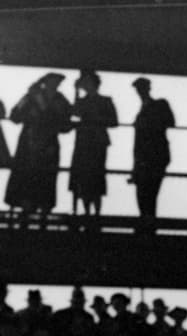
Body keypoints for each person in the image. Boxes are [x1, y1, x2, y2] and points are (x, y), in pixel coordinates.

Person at [5, 73, 70, 223]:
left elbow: (65, 124)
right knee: (26, 177)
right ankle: (25, 210)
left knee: (46, 177)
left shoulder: (60, 100)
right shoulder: (31, 97)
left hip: (48, 145)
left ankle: (43, 212)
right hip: (29, 144)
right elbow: (15, 116)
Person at [68, 69, 117, 220]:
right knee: (82, 176)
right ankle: (85, 210)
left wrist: (98, 118)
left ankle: (94, 211)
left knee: (94, 176)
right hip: (84, 141)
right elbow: (74, 112)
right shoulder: (84, 101)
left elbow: (113, 121)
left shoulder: (105, 101)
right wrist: (75, 92)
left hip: (96, 142)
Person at [130, 77, 174, 225]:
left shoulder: (157, 105)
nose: (139, 92)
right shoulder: (152, 106)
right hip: (147, 156)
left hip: (153, 156)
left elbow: (170, 122)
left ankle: (147, 222)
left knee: (148, 192)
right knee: (146, 193)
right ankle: (148, 222)